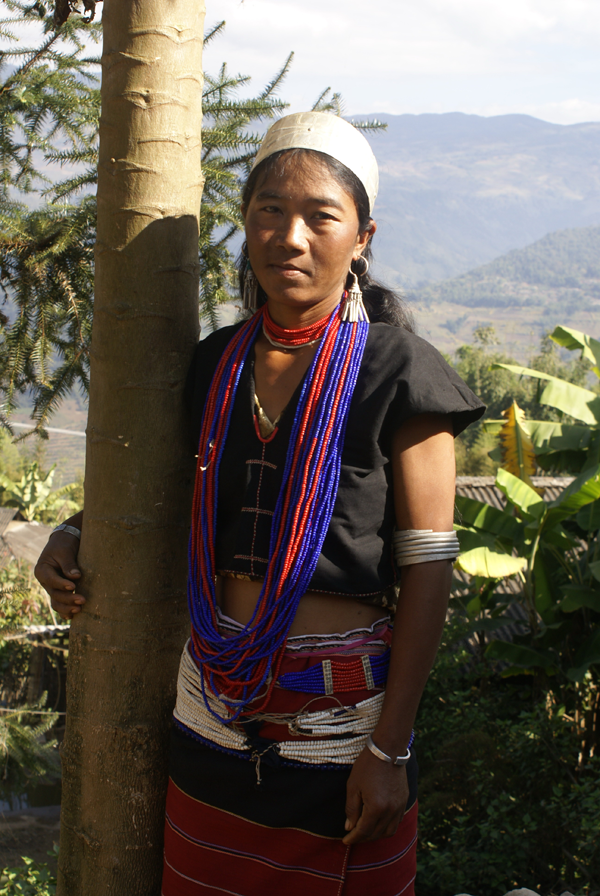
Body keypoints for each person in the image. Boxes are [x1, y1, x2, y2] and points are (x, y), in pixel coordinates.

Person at [35, 111, 485, 895]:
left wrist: (390, 748)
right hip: (209, 713)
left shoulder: (401, 371)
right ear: (245, 225)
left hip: (338, 728)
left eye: (320, 216)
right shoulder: (216, 362)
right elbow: (183, 491)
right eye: (269, 211)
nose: (290, 237)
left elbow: (429, 569)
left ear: (363, 236)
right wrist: (74, 533)